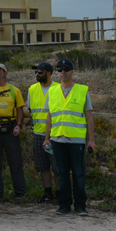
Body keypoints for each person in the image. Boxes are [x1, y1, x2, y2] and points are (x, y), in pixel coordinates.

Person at [43, 59, 96, 216]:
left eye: (66, 69)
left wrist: (91, 140)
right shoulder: (52, 91)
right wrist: (47, 138)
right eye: (60, 70)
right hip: (58, 140)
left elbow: (89, 117)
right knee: (62, 173)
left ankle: (80, 205)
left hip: (76, 140)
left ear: (72, 71)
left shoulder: (82, 90)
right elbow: (49, 117)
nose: (63, 72)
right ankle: (64, 205)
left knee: (78, 173)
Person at [0, 62, 27, 204]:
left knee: (15, 161)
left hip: (10, 128)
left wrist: (19, 125)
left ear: (6, 73)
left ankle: (20, 192)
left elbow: (20, 110)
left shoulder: (14, 90)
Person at [28, 62, 60, 203]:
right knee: (42, 166)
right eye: (36, 72)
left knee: (57, 166)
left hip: (55, 134)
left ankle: (60, 194)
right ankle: (48, 194)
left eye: (40, 72)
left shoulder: (58, 88)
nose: (37, 74)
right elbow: (30, 109)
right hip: (38, 133)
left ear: (49, 73)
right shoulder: (32, 89)